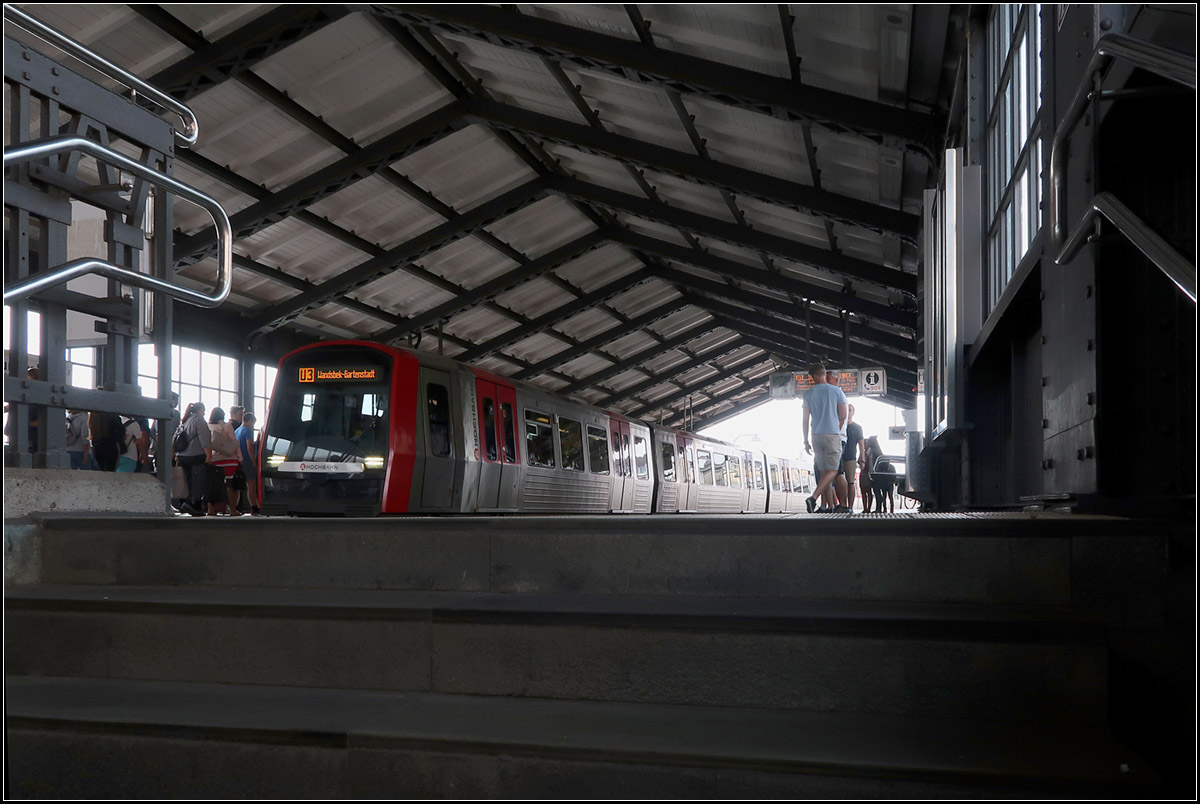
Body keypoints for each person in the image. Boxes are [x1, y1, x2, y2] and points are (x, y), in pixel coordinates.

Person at [802, 363, 849, 514]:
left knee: (823, 473)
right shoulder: (837, 391)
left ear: (815, 376)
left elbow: (805, 419)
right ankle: (813, 498)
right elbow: (843, 415)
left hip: (816, 435)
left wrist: (805, 441)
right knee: (833, 471)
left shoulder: (808, 394)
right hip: (832, 435)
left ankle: (831, 507)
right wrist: (835, 424)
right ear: (823, 374)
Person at [176, 401, 213, 516]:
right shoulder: (199, 420)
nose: (204, 413)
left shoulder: (184, 422)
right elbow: (204, 439)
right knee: (198, 481)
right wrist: (208, 454)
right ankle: (193, 504)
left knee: (188, 482)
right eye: (204, 410)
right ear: (200, 410)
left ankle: (187, 503)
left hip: (182, 455)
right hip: (195, 455)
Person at [207, 407, 242, 515]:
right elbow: (234, 442)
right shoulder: (227, 426)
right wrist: (240, 457)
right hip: (229, 459)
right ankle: (232, 509)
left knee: (213, 484)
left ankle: (211, 509)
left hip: (214, 459)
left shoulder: (208, 427)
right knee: (230, 484)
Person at [235, 412, 261, 515]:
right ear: (250, 420)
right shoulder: (247, 431)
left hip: (239, 461)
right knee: (251, 485)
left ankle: (235, 506)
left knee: (238, 485)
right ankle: (254, 507)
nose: (252, 425)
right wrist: (254, 461)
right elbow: (249, 447)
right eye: (253, 423)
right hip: (247, 460)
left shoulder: (236, 431)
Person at [842, 404, 864, 511]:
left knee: (850, 482)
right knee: (839, 481)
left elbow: (861, 444)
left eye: (850, 410)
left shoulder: (857, 428)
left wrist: (862, 459)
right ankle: (842, 505)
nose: (848, 411)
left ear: (853, 412)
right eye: (846, 409)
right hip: (839, 457)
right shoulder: (840, 425)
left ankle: (850, 507)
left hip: (851, 458)